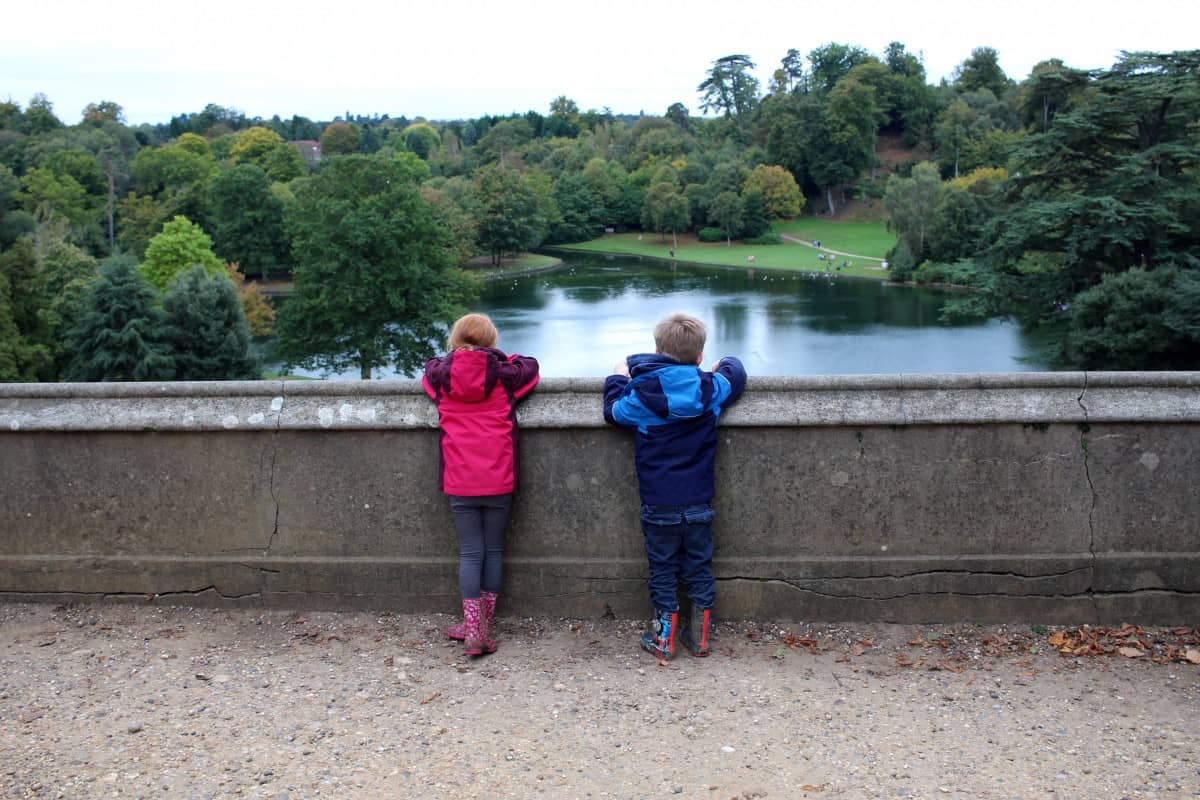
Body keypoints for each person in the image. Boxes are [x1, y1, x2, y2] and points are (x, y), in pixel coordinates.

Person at [603, 313, 746, 660]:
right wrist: (719, 364)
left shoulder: (641, 394)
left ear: (657, 350)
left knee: (663, 568)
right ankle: (699, 637)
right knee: (699, 567)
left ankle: (664, 639)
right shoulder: (709, 389)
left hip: (658, 503)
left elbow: (613, 412)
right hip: (699, 501)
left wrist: (618, 374)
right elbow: (736, 373)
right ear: (699, 357)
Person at [422, 313, 539, 657]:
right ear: (492, 342)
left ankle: (474, 628)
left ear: (455, 339)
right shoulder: (505, 377)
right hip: (498, 475)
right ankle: (482, 628)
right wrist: (499, 358)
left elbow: (429, 369)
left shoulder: (441, 378)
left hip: (460, 478)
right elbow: (530, 367)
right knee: (493, 550)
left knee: (471, 552)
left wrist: (457, 357)